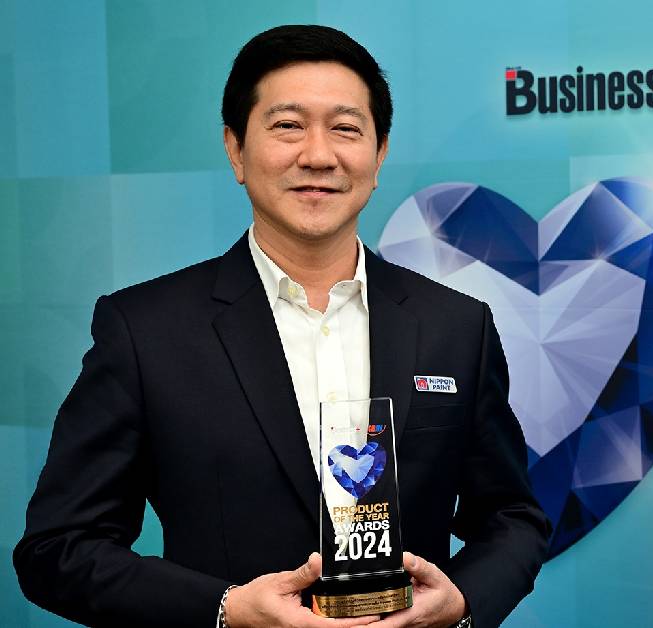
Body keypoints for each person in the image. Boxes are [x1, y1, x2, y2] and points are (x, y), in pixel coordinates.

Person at [13, 25, 550, 628]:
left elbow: (512, 517)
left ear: (379, 155)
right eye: (288, 125)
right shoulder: (145, 331)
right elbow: (58, 549)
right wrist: (225, 610)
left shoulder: (457, 325)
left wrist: (462, 602)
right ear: (235, 149)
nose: (318, 155)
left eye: (345, 128)